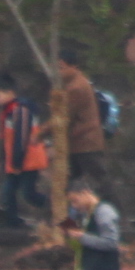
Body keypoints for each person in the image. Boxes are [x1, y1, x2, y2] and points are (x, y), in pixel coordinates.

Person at [48, 43, 111, 201]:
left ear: (73, 66)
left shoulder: (77, 87)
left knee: (101, 182)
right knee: (67, 183)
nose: (59, 72)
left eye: (62, 67)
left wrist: (41, 133)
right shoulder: (72, 85)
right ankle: (55, 220)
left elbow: (64, 116)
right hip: (76, 143)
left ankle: (119, 220)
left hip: (86, 143)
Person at [0, 72, 50, 228]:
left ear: (10, 93)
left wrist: (16, 162)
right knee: (8, 191)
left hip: (27, 160)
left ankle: (57, 209)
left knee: (28, 194)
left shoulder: (21, 110)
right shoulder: (9, 111)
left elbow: (21, 138)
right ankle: (13, 222)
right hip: (17, 161)